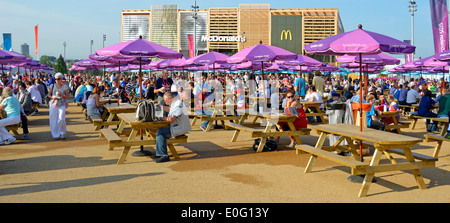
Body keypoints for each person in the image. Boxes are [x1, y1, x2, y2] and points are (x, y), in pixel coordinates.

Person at [155, 92, 191, 163]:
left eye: (166, 101)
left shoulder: (178, 104)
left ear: (171, 99)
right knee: (160, 130)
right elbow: (170, 109)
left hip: (180, 128)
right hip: (179, 126)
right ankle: (160, 152)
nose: (166, 103)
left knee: (160, 132)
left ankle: (164, 155)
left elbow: (171, 118)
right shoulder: (176, 102)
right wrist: (161, 106)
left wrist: (161, 118)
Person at [48, 73, 70, 140]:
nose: (57, 80)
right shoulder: (52, 86)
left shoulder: (64, 87)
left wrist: (62, 94)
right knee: (53, 119)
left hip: (62, 103)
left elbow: (67, 96)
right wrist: (52, 97)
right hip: (53, 103)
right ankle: (55, 134)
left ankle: (62, 133)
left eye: (58, 79)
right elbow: (48, 95)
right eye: (56, 79)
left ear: (61, 79)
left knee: (61, 119)